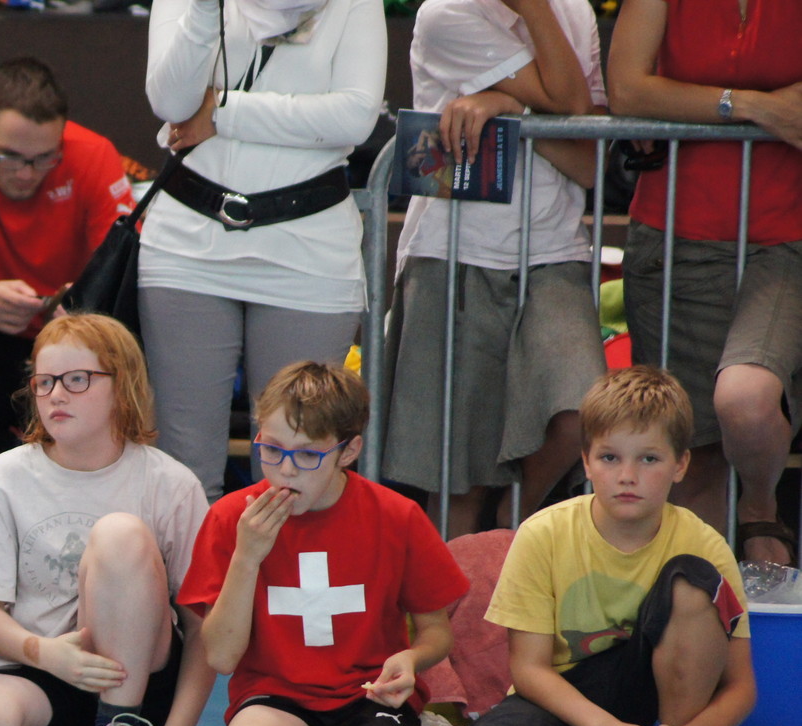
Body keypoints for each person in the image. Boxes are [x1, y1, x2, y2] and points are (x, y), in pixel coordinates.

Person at [455, 367, 757, 726]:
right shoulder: (543, 533)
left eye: (648, 459)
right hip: (568, 700)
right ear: (586, 461)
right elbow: (529, 670)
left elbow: (741, 686)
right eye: (610, 458)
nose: (627, 476)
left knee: (693, 578)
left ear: (680, 465)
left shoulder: (705, 544)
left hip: (656, 705)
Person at [0, 312, 213, 726]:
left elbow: (201, 627)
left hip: (139, 681)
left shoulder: (169, 483)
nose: (56, 395)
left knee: (119, 534)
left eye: (77, 379)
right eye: (44, 382)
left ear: (122, 387)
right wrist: (44, 653)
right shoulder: (6, 476)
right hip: (47, 669)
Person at [179, 361, 469, 726]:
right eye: (272, 449)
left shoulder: (397, 517)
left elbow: (437, 631)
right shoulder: (231, 518)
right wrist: (246, 557)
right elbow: (220, 656)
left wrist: (411, 659)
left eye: (308, 455)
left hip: (368, 694)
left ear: (348, 451)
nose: (286, 471)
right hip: (274, 696)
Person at [141, 0, 385, 501]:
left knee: (295, 465)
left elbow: (354, 116)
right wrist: (204, 11)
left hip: (308, 251)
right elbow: (171, 101)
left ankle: (281, 559)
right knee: (183, 470)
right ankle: (199, 560)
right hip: (187, 245)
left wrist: (222, 112)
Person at [381, 0, 608, 536]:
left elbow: (588, 158)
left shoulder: (574, 9)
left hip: (555, 250)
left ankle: (518, 512)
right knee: (460, 480)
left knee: (583, 412)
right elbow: (570, 111)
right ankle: (456, 588)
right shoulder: (445, 14)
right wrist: (543, 115)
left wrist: (511, 106)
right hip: (457, 253)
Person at [609, 0, 802, 567]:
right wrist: (756, 107)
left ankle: (760, 505)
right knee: (691, 456)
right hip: (672, 236)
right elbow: (627, 90)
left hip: (786, 238)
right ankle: (704, 609)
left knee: (746, 400)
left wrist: (681, 99)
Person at [0, 56, 135, 542]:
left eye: (44, 159)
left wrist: (81, 313)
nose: (27, 172)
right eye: (10, 156)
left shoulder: (92, 155)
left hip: (68, 343)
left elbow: (125, 272)